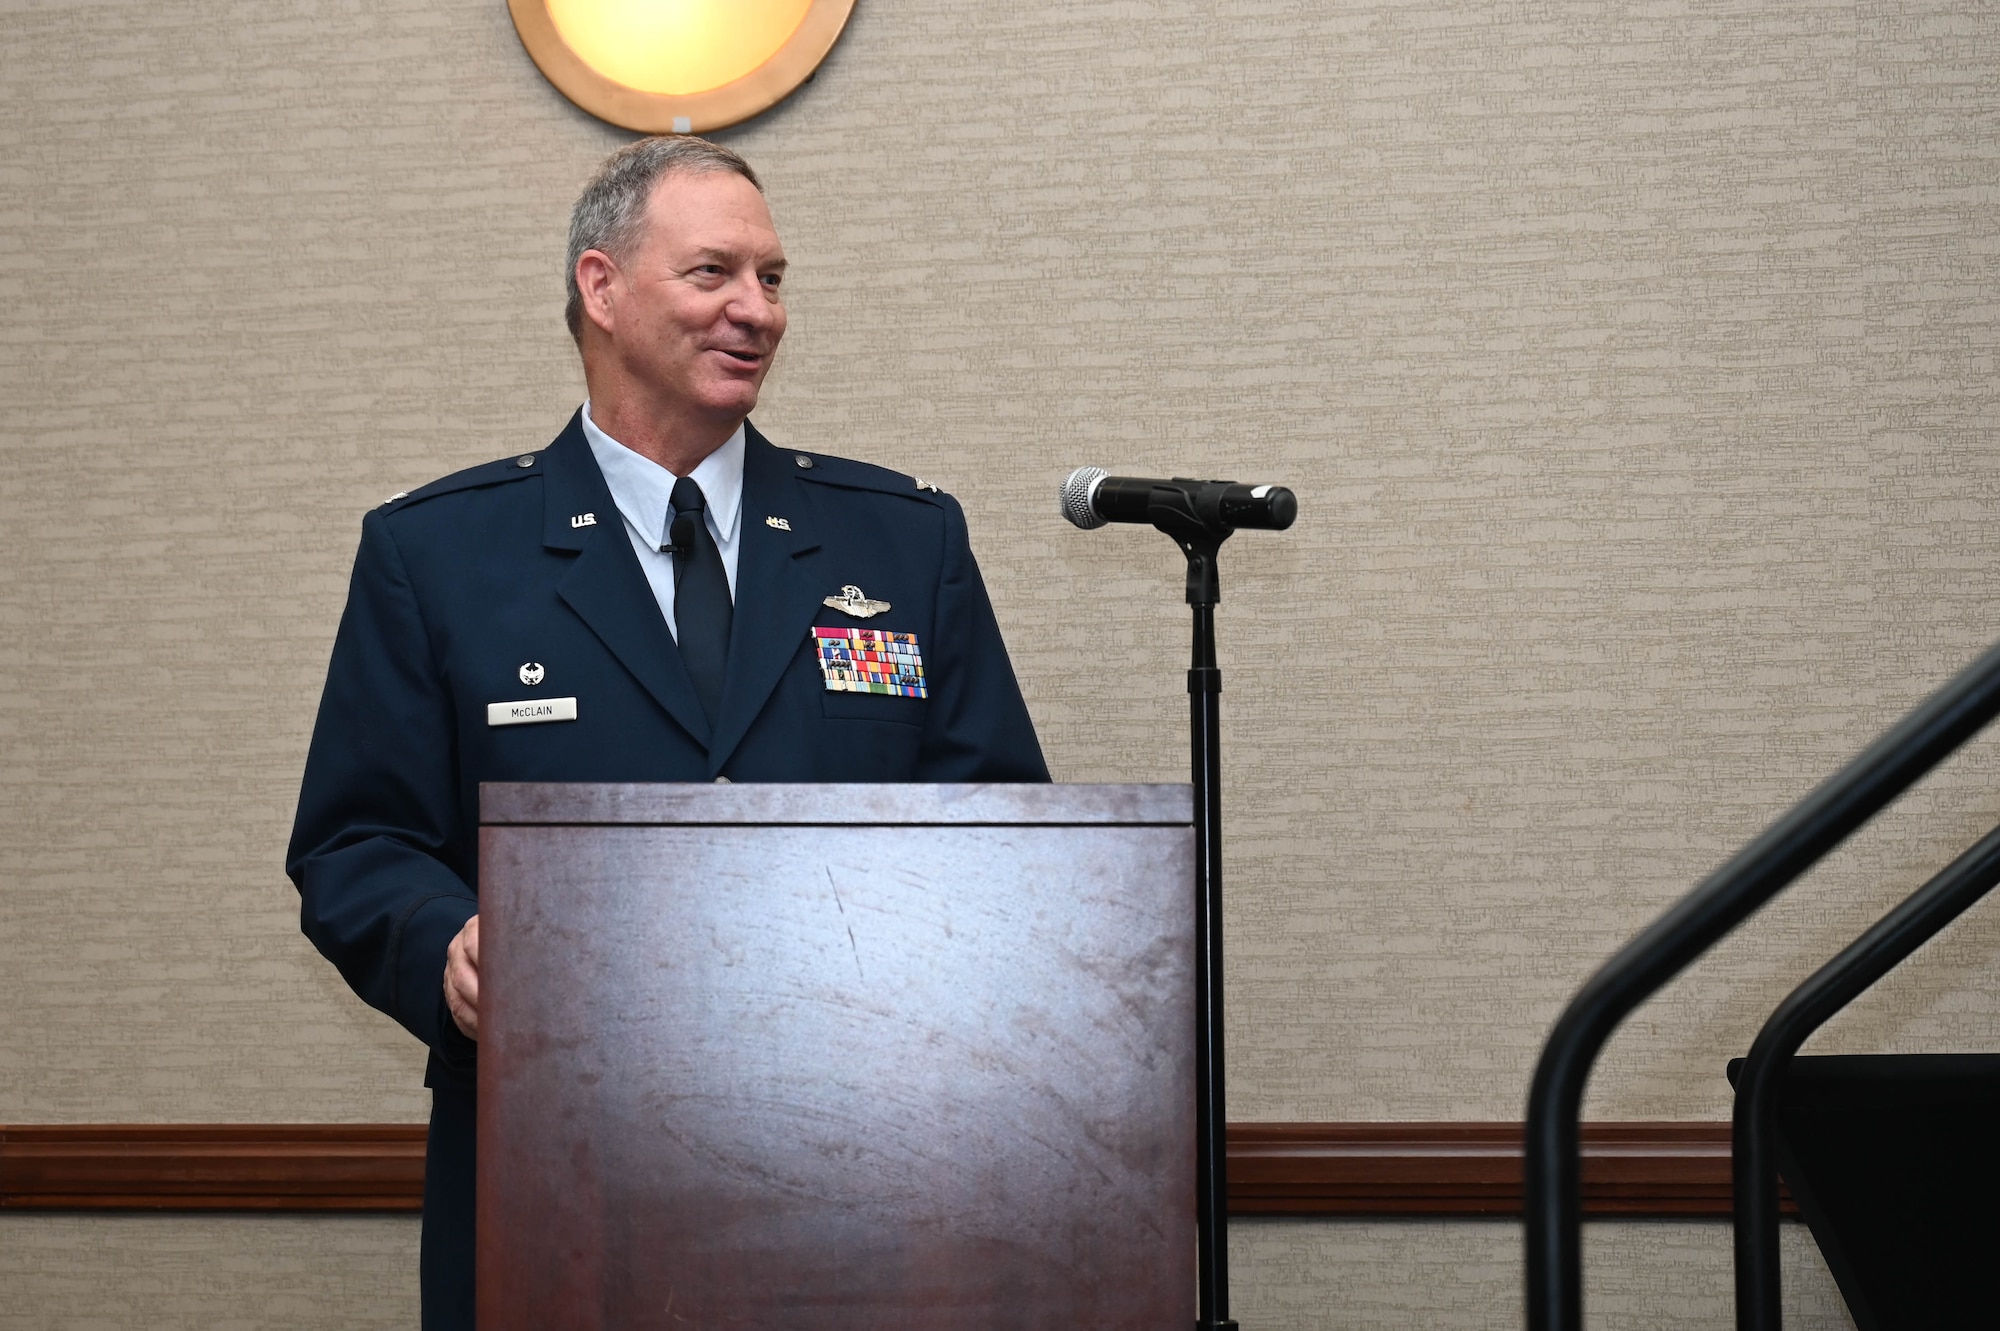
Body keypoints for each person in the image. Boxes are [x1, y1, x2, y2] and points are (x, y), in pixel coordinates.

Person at [286, 136, 1049, 1331]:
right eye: (713, 274)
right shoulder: (438, 555)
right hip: (553, 1180)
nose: (758, 310)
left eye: (775, 277)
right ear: (600, 287)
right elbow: (356, 842)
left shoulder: (900, 543)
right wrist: (449, 949)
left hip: (869, 1176)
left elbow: (1003, 833)